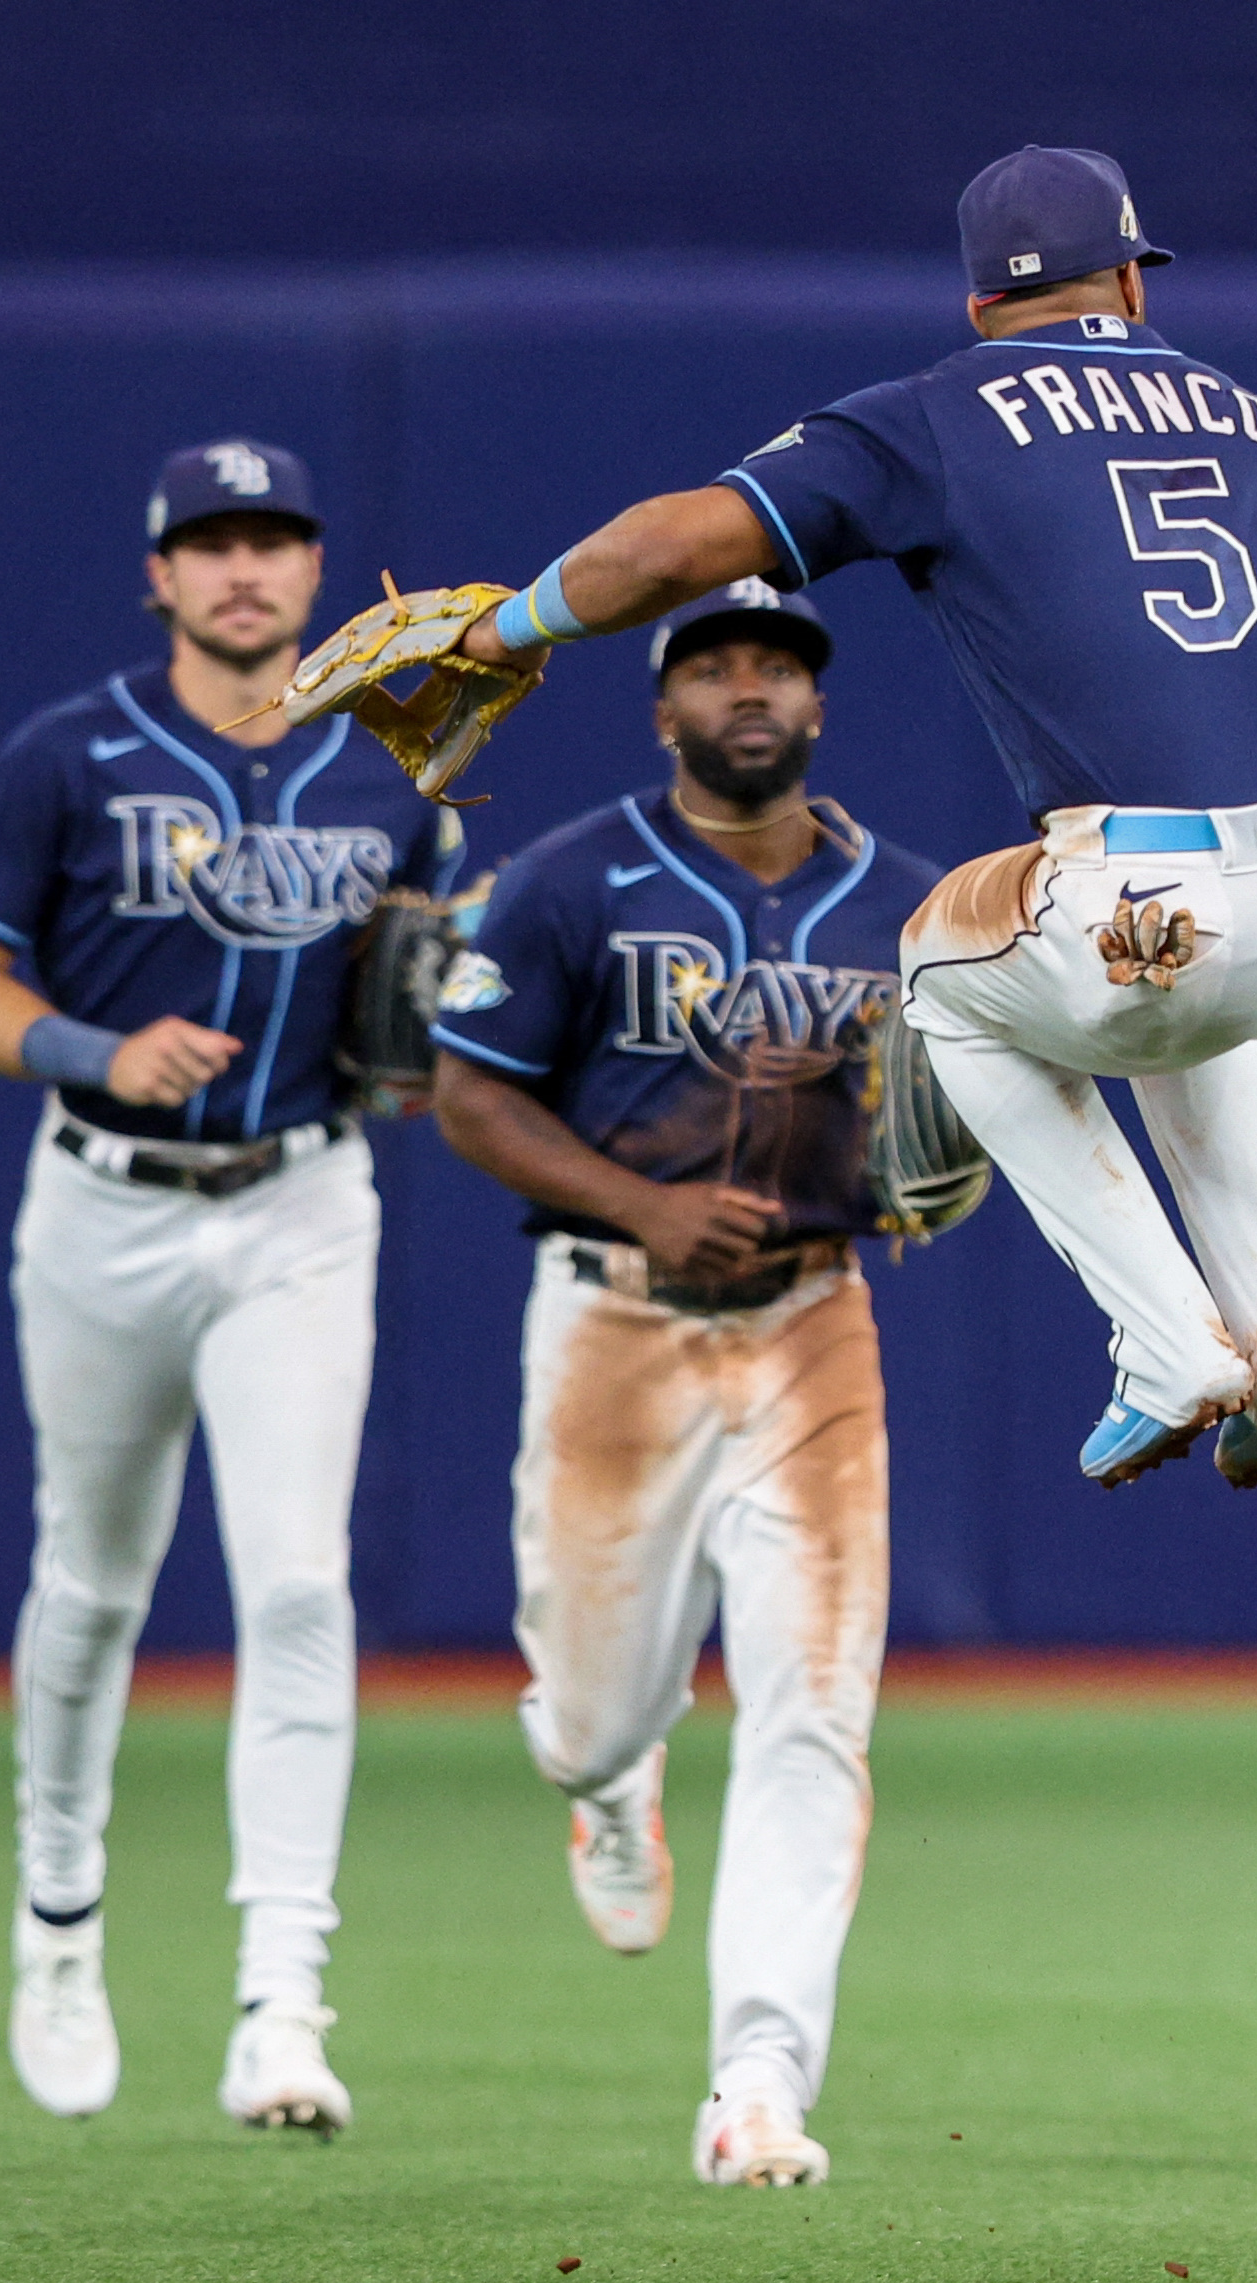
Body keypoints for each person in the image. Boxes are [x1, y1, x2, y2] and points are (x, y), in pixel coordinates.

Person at [441, 144, 1257, 1491]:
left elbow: (670, 553)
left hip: (1159, 910)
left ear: (980, 307)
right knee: (1177, 996)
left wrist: (508, 629)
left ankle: (1167, 1345)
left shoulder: (934, 414)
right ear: (1134, 287)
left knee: (942, 968)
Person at [0, 438, 465, 2132]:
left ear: (314, 573)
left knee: (298, 1587)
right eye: (209, 544)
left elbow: (417, 1021)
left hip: (300, 1205)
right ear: (159, 575)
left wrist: (441, 1016)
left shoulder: (392, 778)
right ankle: (59, 1919)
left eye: (275, 541)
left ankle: (281, 2001)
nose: (244, 570)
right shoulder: (66, 756)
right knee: (90, 1585)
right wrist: (95, 1044)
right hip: (103, 1209)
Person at [426, 583, 938, 2189]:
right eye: (713, 664)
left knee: (814, 1715)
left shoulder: (908, 905)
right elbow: (466, 1091)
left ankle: (759, 2083)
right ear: (663, 707)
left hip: (812, 1325)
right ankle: (609, 1777)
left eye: (775, 663)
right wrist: (640, 1201)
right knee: (588, 1709)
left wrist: (945, 1159)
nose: (747, 688)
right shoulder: (572, 879)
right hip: (615, 1321)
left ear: (817, 701)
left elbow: (975, 1107)